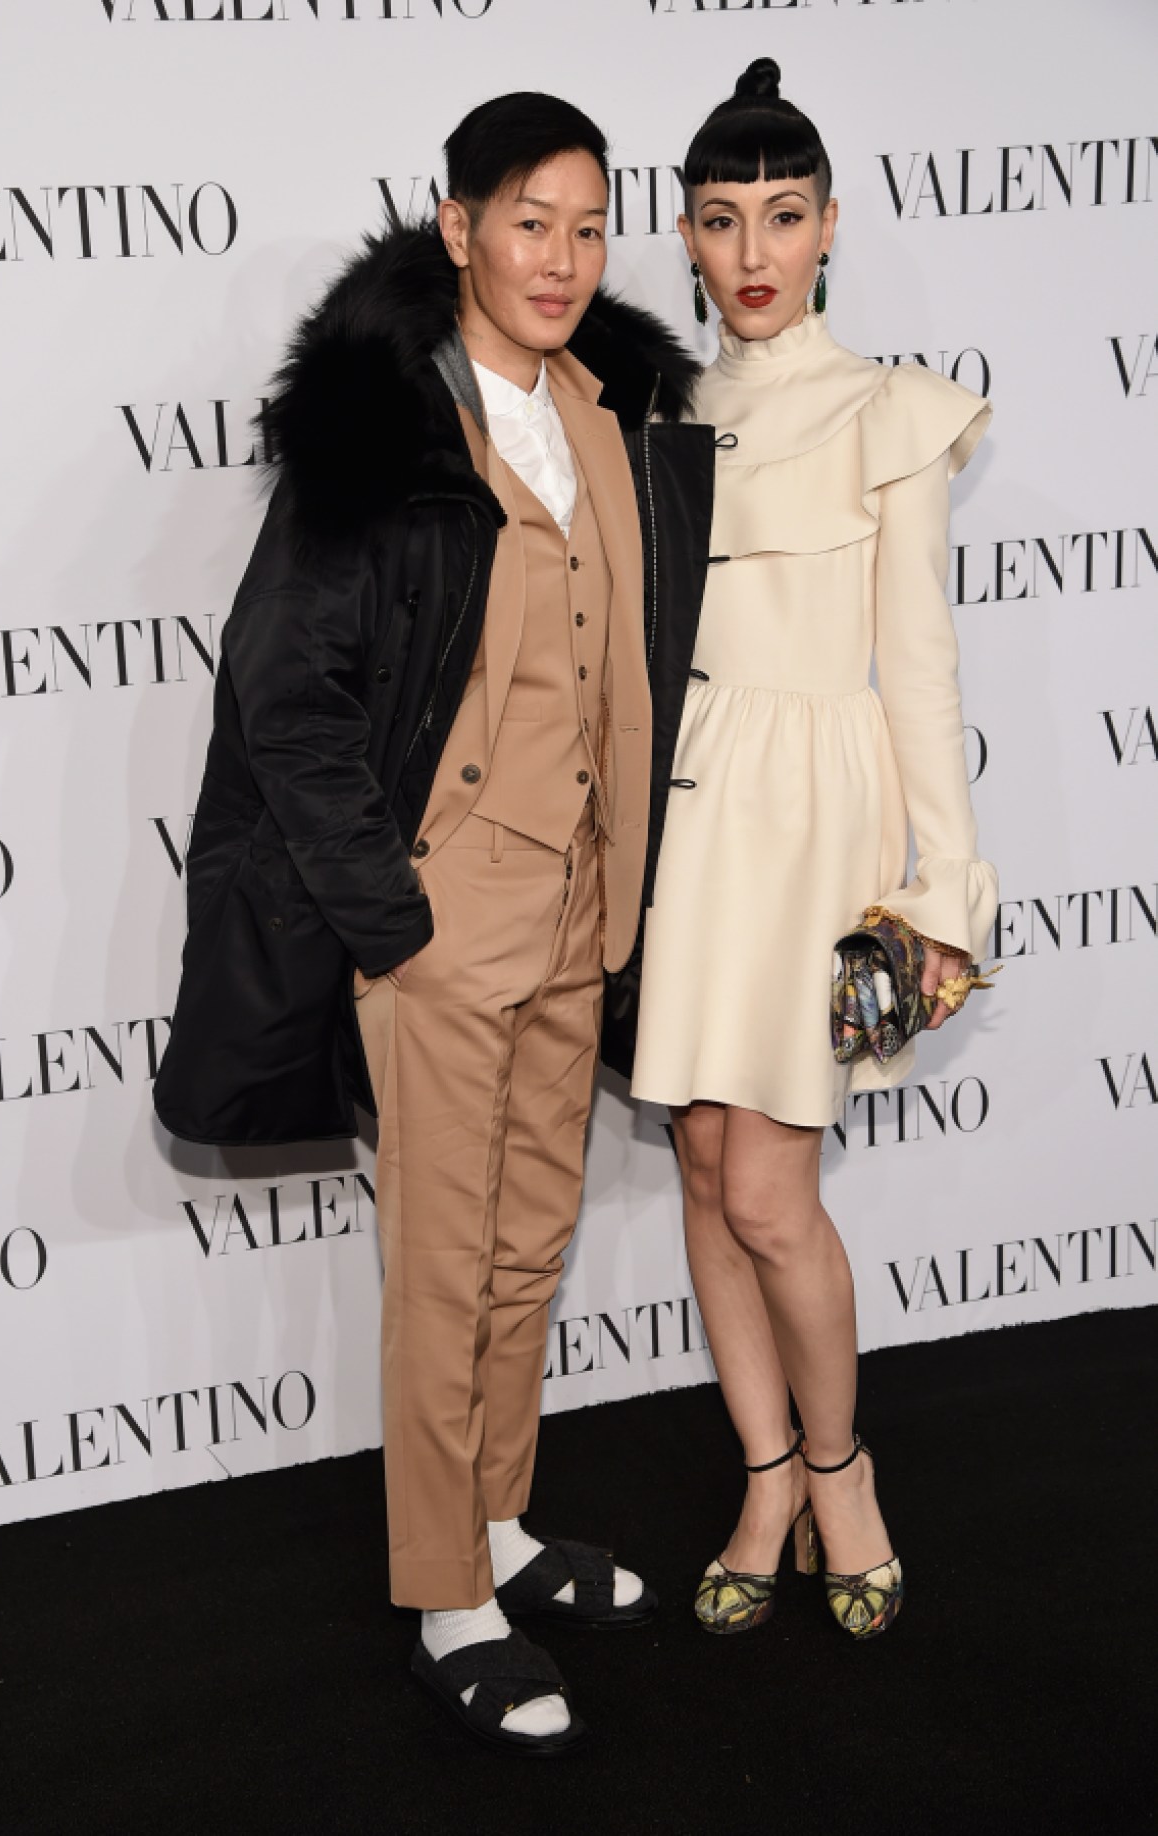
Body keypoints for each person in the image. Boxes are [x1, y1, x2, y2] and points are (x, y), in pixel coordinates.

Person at [154, 93, 701, 1753]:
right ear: (456, 227)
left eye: (591, 225)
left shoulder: (609, 416)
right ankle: (446, 1592)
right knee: (443, 1263)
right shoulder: (386, 428)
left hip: (579, 914)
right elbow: (282, 683)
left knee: (532, 1241)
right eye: (529, 220)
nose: (562, 257)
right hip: (444, 925)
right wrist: (391, 918)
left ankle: (507, 1521)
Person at [618, 57, 997, 1640]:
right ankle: (763, 1470)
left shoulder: (889, 411)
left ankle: (843, 1472)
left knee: (772, 1187)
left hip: (811, 820)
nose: (754, 250)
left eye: (784, 215)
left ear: (830, 226)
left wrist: (940, 891)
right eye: (721, 220)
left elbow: (919, 663)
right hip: (684, 807)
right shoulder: (658, 410)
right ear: (688, 239)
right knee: (705, 1169)